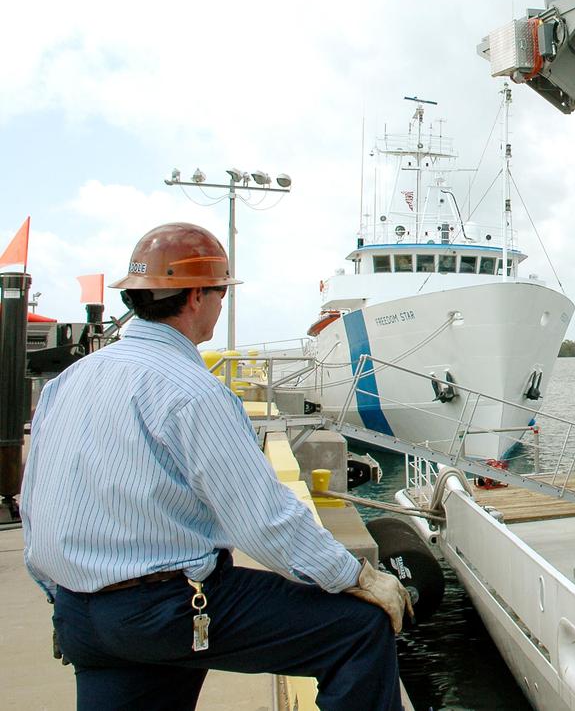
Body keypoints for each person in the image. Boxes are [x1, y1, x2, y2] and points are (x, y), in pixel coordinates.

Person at [21, 223, 412, 710]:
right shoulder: (193, 392)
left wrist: (64, 599)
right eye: (220, 293)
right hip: (168, 611)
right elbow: (263, 521)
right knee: (357, 630)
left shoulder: (69, 382)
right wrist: (357, 577)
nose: (222, 304)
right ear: (195, 298)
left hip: (82, 615)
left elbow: (34, 504)